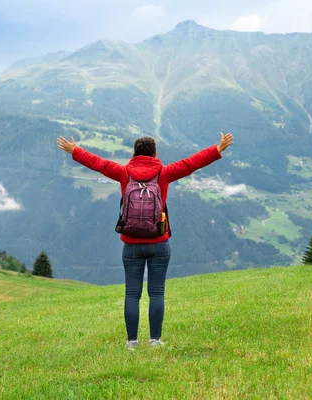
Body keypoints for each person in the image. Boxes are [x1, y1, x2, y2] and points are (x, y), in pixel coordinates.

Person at [57, 132, 234, 349]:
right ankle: (155, 340)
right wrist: (217, 150)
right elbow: (191, 164)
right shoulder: (165, 173)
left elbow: (99, 164)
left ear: (134, 153)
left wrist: (74, 150)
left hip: (131, 244)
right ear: (155, 153)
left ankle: (132, 342)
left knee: (132, 293)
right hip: (159, 241)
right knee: (156, 292)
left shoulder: (124, 173)